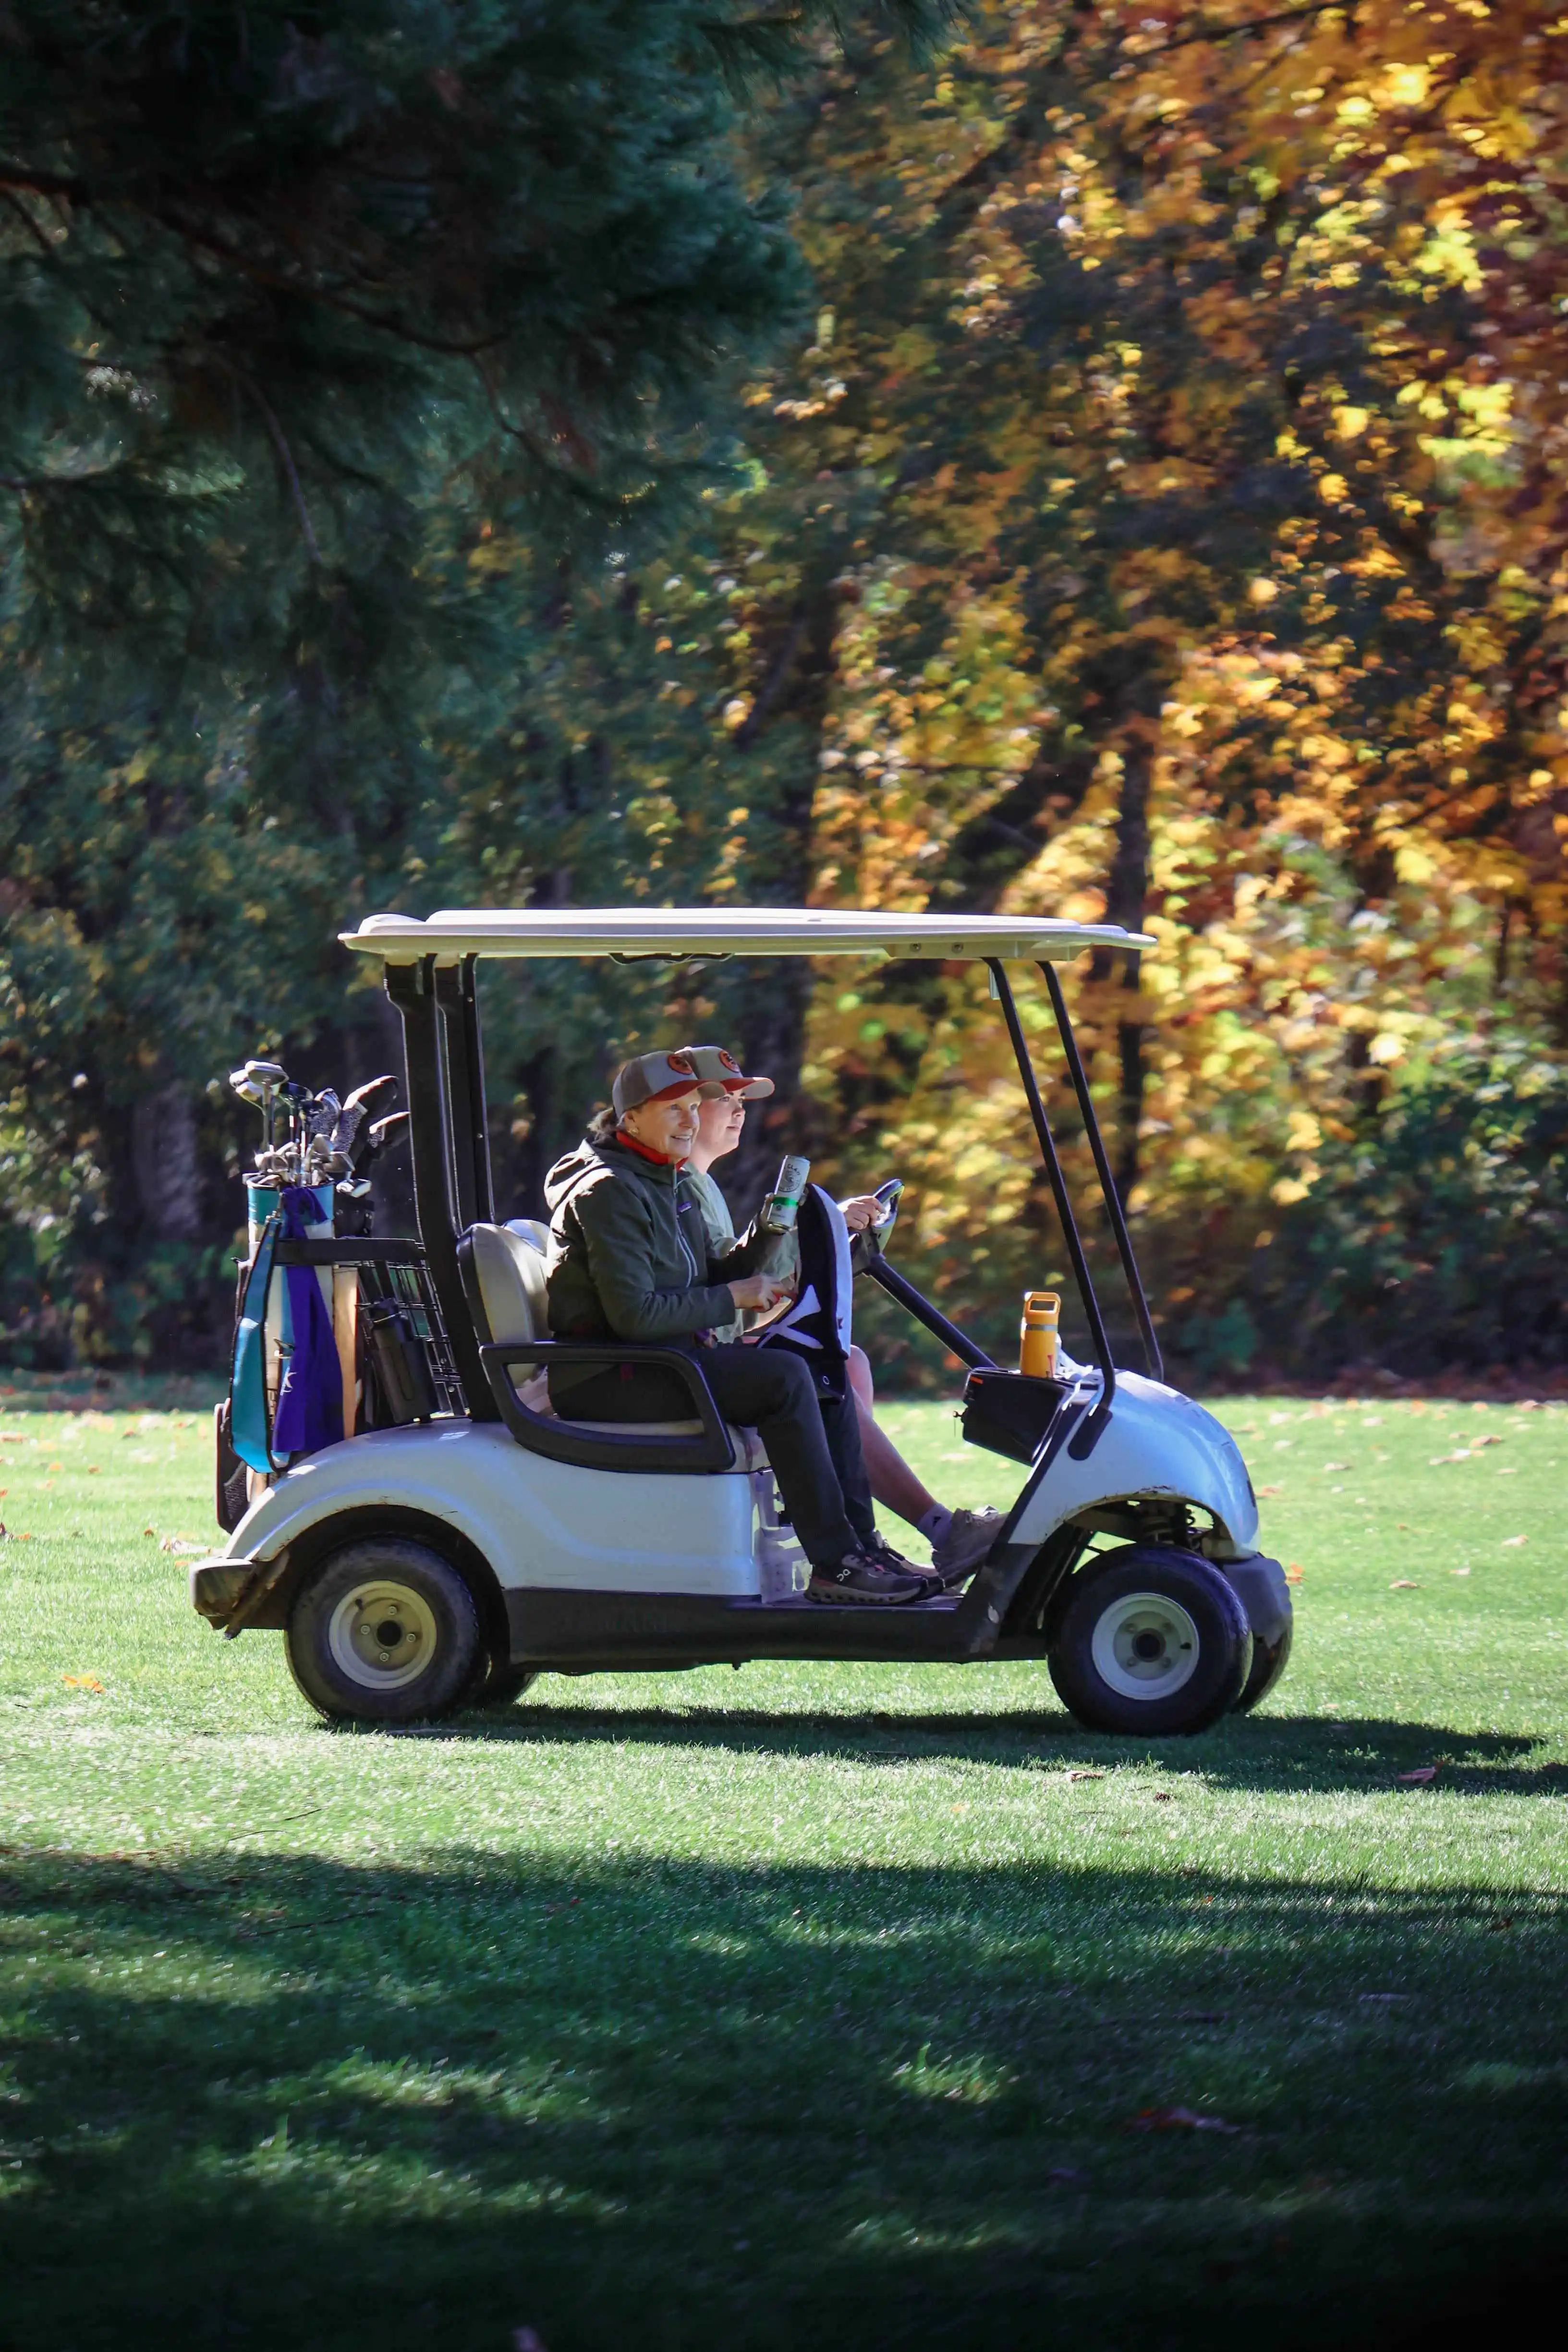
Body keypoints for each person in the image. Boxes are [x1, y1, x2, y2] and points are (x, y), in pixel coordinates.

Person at [543, 1050, 927, 1605]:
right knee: (783, 1377)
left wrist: (771, 1227)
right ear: (631, 1119)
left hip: (662, 1360)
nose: (690, 1120)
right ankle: (835, 1564)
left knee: (821, 1365)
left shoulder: (665, 1180)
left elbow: (714, 1271)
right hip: (610, 1374)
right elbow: (635, 1316)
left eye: (693, 1106)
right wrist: (734, 1297)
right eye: (674, 1109)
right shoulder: (608, 1191)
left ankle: (861, 1547)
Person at [680, 1045, 1004, 1588]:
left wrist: (830, 1230)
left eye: (742, 1100)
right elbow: (727, 1291)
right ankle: (938, 1532)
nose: (738, 1110)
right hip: (691, 1357)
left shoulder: (701, 1184)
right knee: (825, 1369)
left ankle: (864, 1540)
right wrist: (821, 1228)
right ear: (686, 1107)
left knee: (848, 1362)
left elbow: (741, 1282)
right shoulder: (679, 1189)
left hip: (712, 1343)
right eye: (724, 1098)